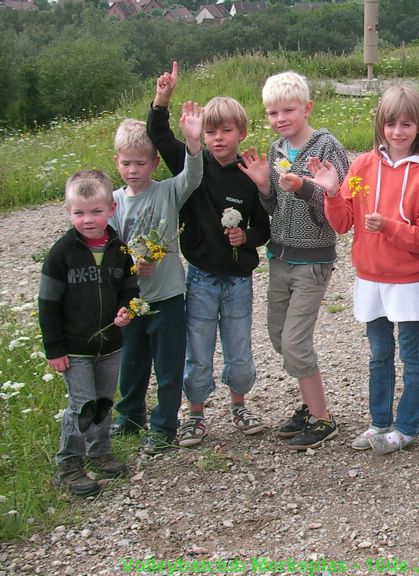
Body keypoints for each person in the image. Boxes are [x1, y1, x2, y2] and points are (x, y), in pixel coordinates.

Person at [146, 62, 271, 448]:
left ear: (241, 133)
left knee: (238, 346)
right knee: (198, 347)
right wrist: (162, 98)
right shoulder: (190, 161)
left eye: (226, 131)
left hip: (238, 279)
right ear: (202, 133)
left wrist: (246, 237)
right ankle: (195, 414)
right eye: (211, 131)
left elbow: (265, 229)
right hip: (199, 276)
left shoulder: (247, 174)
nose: (218, 139)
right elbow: (157, 133)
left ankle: (239, 405)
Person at [315, 84, 419, 455]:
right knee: (378, 354)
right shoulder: (362, 165)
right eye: (390, 123)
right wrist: (333, 192)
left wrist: (387, 225)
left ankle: (408, 427)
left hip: (408, 280)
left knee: (412, 354)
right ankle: (379, 423)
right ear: (380, 125)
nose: (398, 131)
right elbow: (341, 224)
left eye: (406, 123)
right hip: (370, 278)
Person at [238, 71, 350, 450]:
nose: (280, 118)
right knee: (278, 336)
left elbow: (336, 211)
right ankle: (309, 404)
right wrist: (264, 186)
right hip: (280, 256)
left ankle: (323, 419)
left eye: (288, 110)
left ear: (307, 108)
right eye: (272, 112)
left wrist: (304, 187)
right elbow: (272, 209)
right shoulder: (274, 150)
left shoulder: (327, 147)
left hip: (313, 259)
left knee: (296, 342)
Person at [109, 107, 203, 454]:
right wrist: (129, 263)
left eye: (140, 163)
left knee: (168, 365)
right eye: (126, 163)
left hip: (166, 296)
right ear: (117, 162)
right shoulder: (113, 202)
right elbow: (104, 244)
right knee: (130, 363)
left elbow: (193, 175)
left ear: (154, 163)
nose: (133, 170)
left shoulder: (167, 192)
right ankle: (129, 417)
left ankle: (164, 425)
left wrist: (193, 142)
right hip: (130, 301)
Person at [39, 170, 139, 496]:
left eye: (96, 211)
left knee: (105, 401)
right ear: (68, 212)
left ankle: (100, 452)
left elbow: (129, 287)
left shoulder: (118, 249)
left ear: (111, 208)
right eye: (79, 213)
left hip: (110, 344)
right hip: (74, 348)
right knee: (82, 405)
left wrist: (127, 309)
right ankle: (68, 464)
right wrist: (54, 348)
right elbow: (48, 303)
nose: (87, 220)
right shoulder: (61, 254)